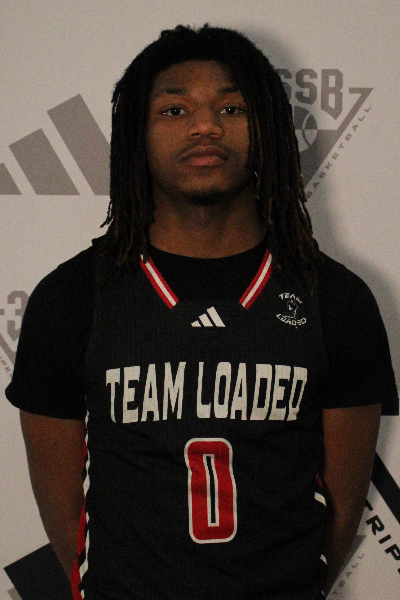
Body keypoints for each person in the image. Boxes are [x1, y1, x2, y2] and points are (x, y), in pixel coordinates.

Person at [6, 24, 397, 600]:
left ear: (268, 129)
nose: (206, 126)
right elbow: (66, 519)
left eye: (232, 108)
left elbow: (338, 517)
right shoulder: (70, 298)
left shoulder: (336, 299)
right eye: (174, 109)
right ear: (136, 135)